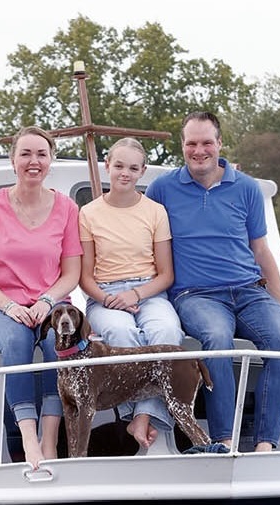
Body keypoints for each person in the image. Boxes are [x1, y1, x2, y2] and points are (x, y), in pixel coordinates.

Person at [145, 111, 280, 452]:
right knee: (218, 339)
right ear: (182, 146)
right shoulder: (162, 189)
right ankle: (224, 439)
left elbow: (261, 253)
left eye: (207, 142)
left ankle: (265, 444)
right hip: (196, 294)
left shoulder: (246, 187)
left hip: (249, 291)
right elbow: (146, 242)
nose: (199, 150)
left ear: (219, 144)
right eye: (191, 143)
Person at [0, 125, 82, 469]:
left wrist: (46, 301)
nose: (34, 161)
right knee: (16, 341)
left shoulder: (67, 208)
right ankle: (28, 440)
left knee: (58, 343)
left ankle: (50, 440)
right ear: (13, 160)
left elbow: (71, 274)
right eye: (26, 154)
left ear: (51, 161)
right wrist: (11, 306)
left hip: (51, 306)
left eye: (41, 154)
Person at [78, 137, 183, 449]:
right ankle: (138, 416)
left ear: (142, 171)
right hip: (104, 295)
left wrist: (136, 294)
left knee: (165, 330)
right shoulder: (88, 213)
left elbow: (166, 274)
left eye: (133, 168)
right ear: (107, 166)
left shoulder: (155, 212)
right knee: (122, 333)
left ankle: (142, 416)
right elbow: (84, 277)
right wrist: (108, 298)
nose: (125, 173)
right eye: (119, 165)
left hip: (148, 291)